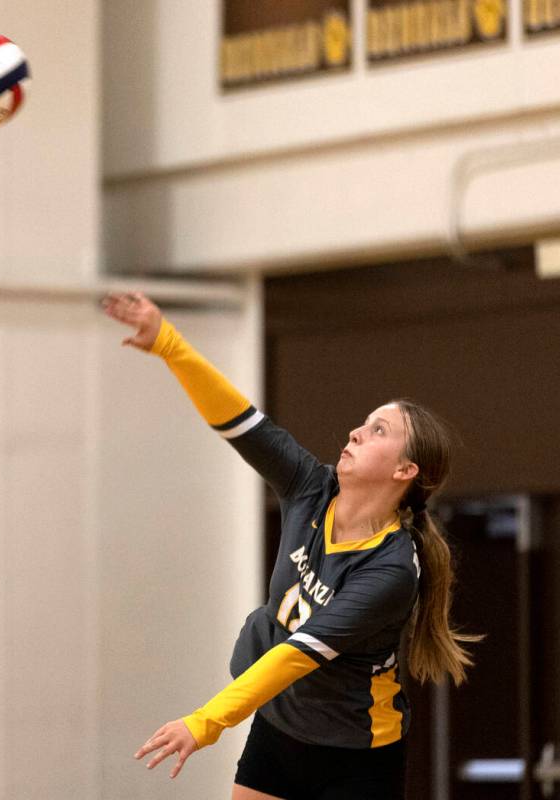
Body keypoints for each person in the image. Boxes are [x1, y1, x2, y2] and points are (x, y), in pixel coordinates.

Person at [102, 291, 477, 800]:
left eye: (378, 430)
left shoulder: (392, 569)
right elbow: (241, 422)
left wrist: (205, 722)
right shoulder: (310, 487)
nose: (356, 432)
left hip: (356, 751)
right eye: (364, 423)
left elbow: (299, 653)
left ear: (404, 471)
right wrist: (169, 343)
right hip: (280, 727)